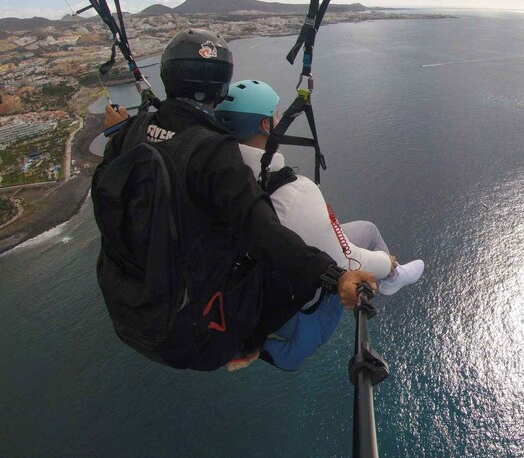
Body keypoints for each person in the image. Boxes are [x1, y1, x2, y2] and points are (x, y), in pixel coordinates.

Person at [92, 29, 376, 371]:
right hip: (192, 337)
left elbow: (105, 193)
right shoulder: (212, 151)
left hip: (131, 314)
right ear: (220, 86)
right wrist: (332, 275)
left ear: (168, 76)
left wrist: (117, 133)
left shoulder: (133, 132)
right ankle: (257, 344)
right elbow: (262, 228)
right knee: (288, 270)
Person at [213, 79, 424, 371]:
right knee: (309, 336)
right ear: (265, 126)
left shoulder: (210, 173)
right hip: (276, 286)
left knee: (369, 230)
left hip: (241, 275)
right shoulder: (292, 191)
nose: (277, 119)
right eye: (275, 115)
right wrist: (386, 264)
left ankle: (393, 277)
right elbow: (347, 261)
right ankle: (393, 275)